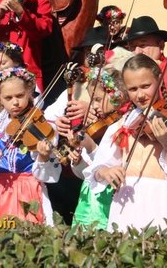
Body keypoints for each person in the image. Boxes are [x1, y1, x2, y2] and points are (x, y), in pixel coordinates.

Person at [86, 54, 167, 232]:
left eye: (146, 86)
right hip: (125, 205)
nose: (140, 95)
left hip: (163, 203)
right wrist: (106, 171)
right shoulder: (124, 121)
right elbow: (98, 167)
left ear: (159, 81)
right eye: (133, 89)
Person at [0, 66, 62, 226]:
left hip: (30, 192)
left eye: (20, 96)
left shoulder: (41, 125)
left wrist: (43, 156)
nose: (15, 102)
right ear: (0, 99)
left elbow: (48, 176)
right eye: (8, 98)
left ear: (29, 93)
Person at [66, 65, 129, 229]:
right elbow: (87, 173)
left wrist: (91, 147)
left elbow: (111, 163)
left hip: (110, 199)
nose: (93, 106)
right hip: (89, 199)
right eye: (92, 100)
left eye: (98, 100)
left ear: (116, 96)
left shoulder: (123, 126)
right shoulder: (101, 126)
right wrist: (79, 161)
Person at [118, 16, 167, 114]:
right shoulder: (131, 73)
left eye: (143, 45)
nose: (137, 52)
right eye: (132, 47)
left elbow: (165, 93)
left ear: (161, 45)